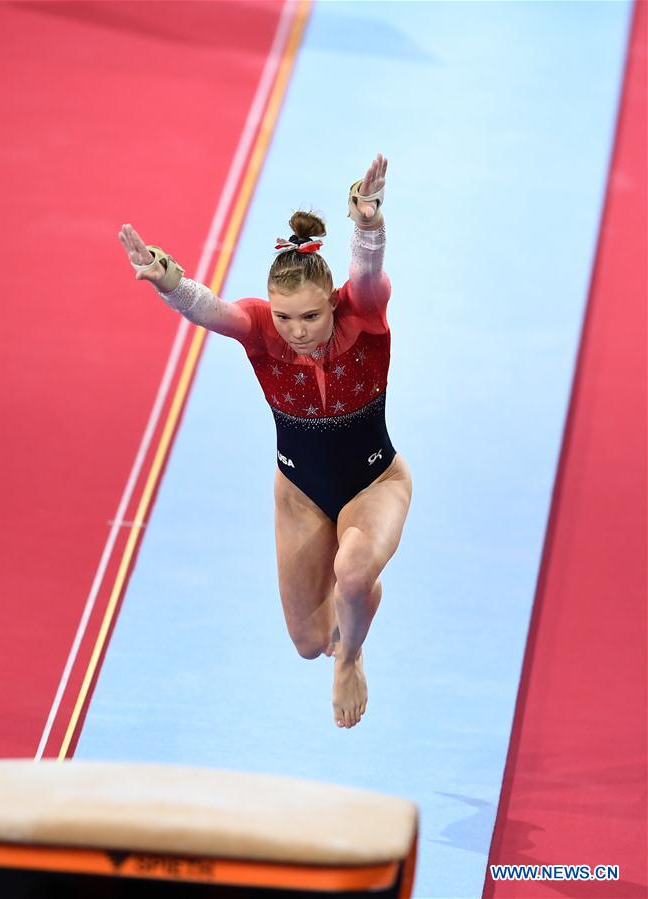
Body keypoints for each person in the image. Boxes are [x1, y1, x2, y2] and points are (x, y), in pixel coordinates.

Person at [118, 153, 412, 729]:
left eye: (310, 317)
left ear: (332, 302)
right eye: (284, 318)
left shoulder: (363, 315)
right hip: (300, 493)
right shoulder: (260, 331)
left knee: (354, 572)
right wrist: (168, 281)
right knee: (308, 641)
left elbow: (369, 275)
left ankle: (351, 657)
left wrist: (368, 224)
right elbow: (211, 310)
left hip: (375, 481)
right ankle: (351, 613)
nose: (296, 331)